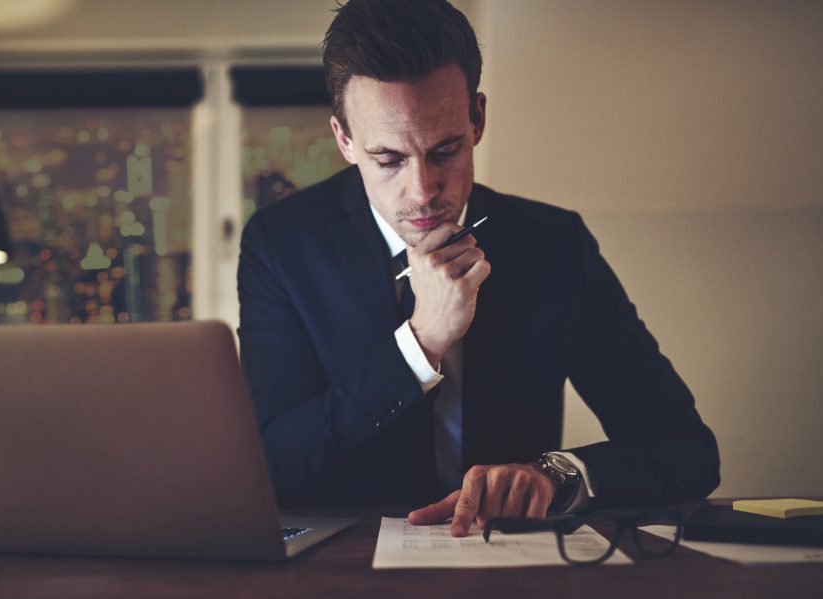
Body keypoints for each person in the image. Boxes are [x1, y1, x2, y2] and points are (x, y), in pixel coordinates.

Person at [238, 0, 719, 537]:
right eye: (389, 159)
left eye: (445, 150)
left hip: (510, 568)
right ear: (344, 140)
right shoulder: (281, 245)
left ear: (478, 119)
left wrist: (554, 476)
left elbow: (686, 450)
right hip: (341, 577)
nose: (422, 192)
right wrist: (421, 343)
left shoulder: (555, 246)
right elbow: (273, 469)